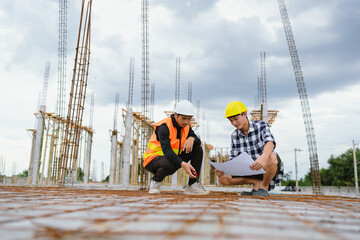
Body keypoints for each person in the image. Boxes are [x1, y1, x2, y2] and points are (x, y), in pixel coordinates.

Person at [216, 101, 283, 197]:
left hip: (266, 167)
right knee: (222, 178)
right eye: (231, 120)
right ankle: (256, 183)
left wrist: (263, 157)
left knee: (271, 156)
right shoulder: (234, 135)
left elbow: (270, 142)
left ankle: (263, 188)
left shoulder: (261, 126)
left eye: (236, 119)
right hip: (251, 170)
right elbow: (233, 158)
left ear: (245, 114)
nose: (234, 123)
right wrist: (224, 169)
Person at [143, 100, 209, 195]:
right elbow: (167, 151)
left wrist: (192, 138)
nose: (186, 122)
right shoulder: (164, 127)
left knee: (197, 149)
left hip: (172, 159)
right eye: (183, 118)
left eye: (189, 119)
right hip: (153, 160)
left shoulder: (186, 126)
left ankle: (192, 185)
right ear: (175, 115)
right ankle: (155, 183)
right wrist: (183, 164)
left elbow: (198, 141)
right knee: (167, 162)